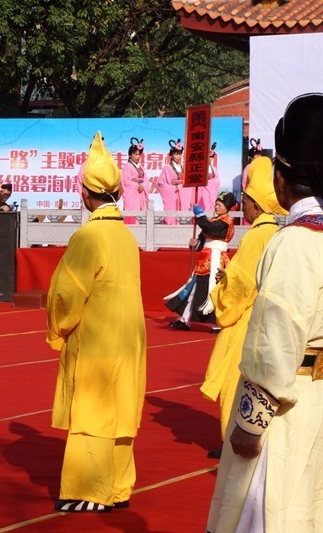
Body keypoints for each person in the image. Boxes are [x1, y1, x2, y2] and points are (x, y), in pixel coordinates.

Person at [206, 93, 323, 532]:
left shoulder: (293, 242)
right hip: (317, 399)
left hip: (287, 407)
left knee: (269, 510)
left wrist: (251, 423)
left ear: (281, 177)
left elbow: (276, 339)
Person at [46, 131, 146, 513]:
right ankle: (118, 487)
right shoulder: (125, 236)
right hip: (128, 340)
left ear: (86, 194)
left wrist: (57, 330)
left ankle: (89, 490)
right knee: (120, 410)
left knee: (91, 411)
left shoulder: (88, 236)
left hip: (98, 342)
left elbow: (66, 294)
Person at [200, 157, 285, 459]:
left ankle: (231, 439)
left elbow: (243, 284)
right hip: (264, 318)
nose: (244, 208)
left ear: (256, 206)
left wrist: (224, 287)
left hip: (246, 318)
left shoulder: (257, 235)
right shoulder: (274, 232)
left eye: (247, 202)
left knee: (233, 380)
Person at [165, 192, 236, 331]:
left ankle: (218, 323)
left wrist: (199, 214)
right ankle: (185, 320)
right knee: (194, 288)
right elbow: (201, 241)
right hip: (205, 259)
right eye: (216, 204)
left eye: (219, 205)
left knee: (215, 289)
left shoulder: (226, 222)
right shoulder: (213, 221)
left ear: (227, 207)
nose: (216, 207)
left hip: (216, 260)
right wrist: (194, 244)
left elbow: (209, 228)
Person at [156, 139, 188, 225]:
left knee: (181, 217)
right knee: (171, 215)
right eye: (176, 154)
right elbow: (161, 184)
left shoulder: (183, 168)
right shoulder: (167, 168)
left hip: (182, 195)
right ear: (172, 155)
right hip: (172, 195)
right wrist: (173, 188)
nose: (178, 156)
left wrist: (182, 187)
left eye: (180, 154)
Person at [120, 138, 148, 224]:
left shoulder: (141, 167)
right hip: (132, 195)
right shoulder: (127, 167)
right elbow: (125, 182)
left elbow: (146, 180)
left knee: (140, 216)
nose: (138, 157)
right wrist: (136, 186)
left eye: (139, 154)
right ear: (130, 155)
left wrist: (143, 186)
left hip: (140, 193)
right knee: (132, 216)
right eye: (135, 154)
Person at [199, 143, 221, 211]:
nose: (209, 159)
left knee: (213, 205)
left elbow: (217, 181)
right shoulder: (199, 168)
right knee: (204, 204)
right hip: (202, 191)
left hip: (212, 192)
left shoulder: (214, 169)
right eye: (208, 157)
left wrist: (209, 183)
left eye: (211, 157)